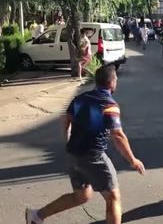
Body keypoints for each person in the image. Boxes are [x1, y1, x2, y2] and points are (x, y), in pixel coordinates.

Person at [25, 65, 146, 224]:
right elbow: (118, 135)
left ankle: (37, 215)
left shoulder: (80, 98)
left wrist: (67, 137)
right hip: (93, 156)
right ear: (112, 82)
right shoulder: (109, 105)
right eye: (116, 79)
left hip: (73, 154)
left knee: (82, 195)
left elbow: (66, 117)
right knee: (113, 197)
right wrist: (133, 160)